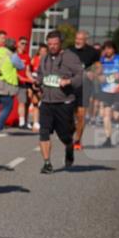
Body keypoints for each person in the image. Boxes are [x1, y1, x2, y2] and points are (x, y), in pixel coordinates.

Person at [35, 31, 83, 173]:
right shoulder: (44, 58)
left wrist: (69, 81)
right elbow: (40, 75)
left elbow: (81, 75)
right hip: (46, 102)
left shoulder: (70, 57)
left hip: (64, 102)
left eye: (55, 44)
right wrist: (37, 82)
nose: (53, 47)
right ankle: (47, 163)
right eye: (50, 44)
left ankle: (69, 146)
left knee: (64, 135)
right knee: (44, 132)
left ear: (60, 43)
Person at [66, 30, 99, 149]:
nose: (78, 41)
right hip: (70, 87)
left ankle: (78, 140)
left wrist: (93, 72)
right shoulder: (69, 51)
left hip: (84, 87)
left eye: (80, 39)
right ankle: (73, 129)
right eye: (77, 38)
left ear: (86, 40)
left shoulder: (93, 52)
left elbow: (98, 67)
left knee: (81, 115)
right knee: (69, 115)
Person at [96, 41, 119, 147]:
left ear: (114, 49)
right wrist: (101, 78)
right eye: (105, 48)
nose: (107, 51)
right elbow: (97, 75)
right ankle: (108, 139)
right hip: (106, 91)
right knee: (106, 115)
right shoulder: (101, 60)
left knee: (116, 115)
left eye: (109, 48)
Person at [14, 36, 34, 128]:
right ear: (17, 44)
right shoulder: (13, 55)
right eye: (22, 43)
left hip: (22, 83)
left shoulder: (27, 56)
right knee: (3, 102)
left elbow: (28, 71)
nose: (24, 45)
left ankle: (22, 122)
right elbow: (11, 69)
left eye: (26, 44)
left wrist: (32, 80)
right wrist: (19, 77)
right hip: (11, 81)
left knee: (23, 101)